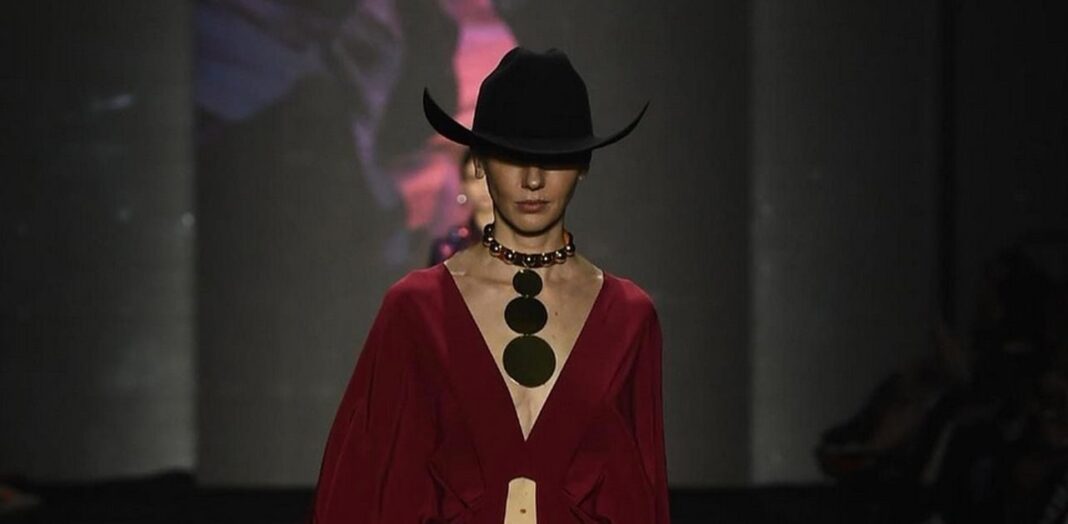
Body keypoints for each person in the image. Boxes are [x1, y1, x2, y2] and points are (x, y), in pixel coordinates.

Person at [309, 47, 667, 523]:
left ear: (583, 164)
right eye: (513, 155)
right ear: (478, 163)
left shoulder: (628, 318)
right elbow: (360, 492)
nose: (533, 179)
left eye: (554, 157)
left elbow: (641, 500)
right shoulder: (416, 309)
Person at [427, 149, 493, 266]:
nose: (484, 186)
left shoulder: (522, 239)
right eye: (474, 179)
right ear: (463, 186)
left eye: (489, 177)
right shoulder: (450, 246)